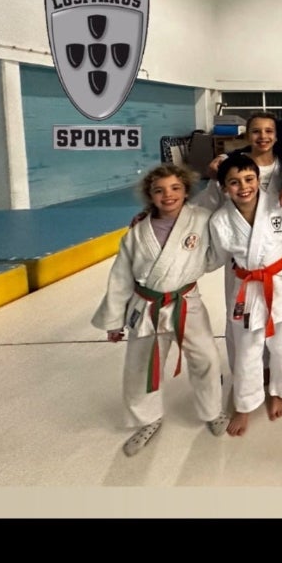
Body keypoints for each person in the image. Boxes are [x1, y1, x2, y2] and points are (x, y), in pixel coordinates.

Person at [92, 165, 230, 454]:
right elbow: (120, 278)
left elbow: (215, 252)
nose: (168, 195)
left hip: (186, 302)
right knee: (141, 366)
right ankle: (147, 419)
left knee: (206, 358)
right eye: (159, 190)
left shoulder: (201, 219)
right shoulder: (136, 233)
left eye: (175, 188)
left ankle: (212, 410)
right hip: (147, 305)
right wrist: (114, 321)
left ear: (186, 191)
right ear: (150, 196)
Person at [205, 151, 282, 437]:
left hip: (280, 284)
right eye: (234, 182)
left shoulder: (278, 204)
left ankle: (279, 391)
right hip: (246, 288)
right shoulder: (220, 220)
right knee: (247, 349)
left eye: (249, 179)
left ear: (259, 180)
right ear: (224, 188)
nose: (243, 187)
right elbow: (216, 258)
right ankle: (244, 404)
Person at [198, 110, 282, 209]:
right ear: (247, 136)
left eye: (269, 131)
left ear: (276, 136)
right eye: (256, 131)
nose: (263, 136)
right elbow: (209, 205)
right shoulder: (228, 166)